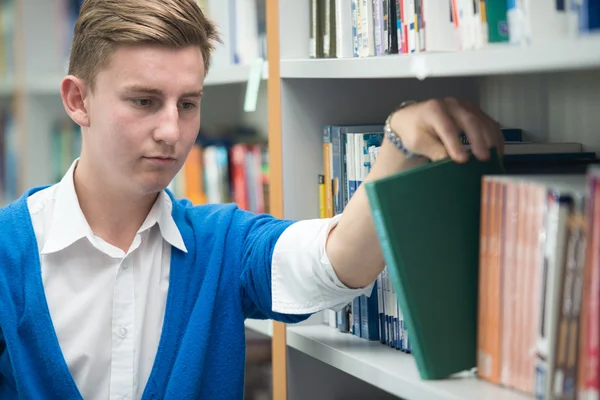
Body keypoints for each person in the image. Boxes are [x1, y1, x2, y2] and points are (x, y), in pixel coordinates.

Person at [0, 0, 504, 399]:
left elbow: (336, 262)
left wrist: (398, 141)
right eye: (144, 101)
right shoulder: (7, 252)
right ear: (77, 100)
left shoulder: (223, 244)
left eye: (189, 104)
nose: (172, 130)